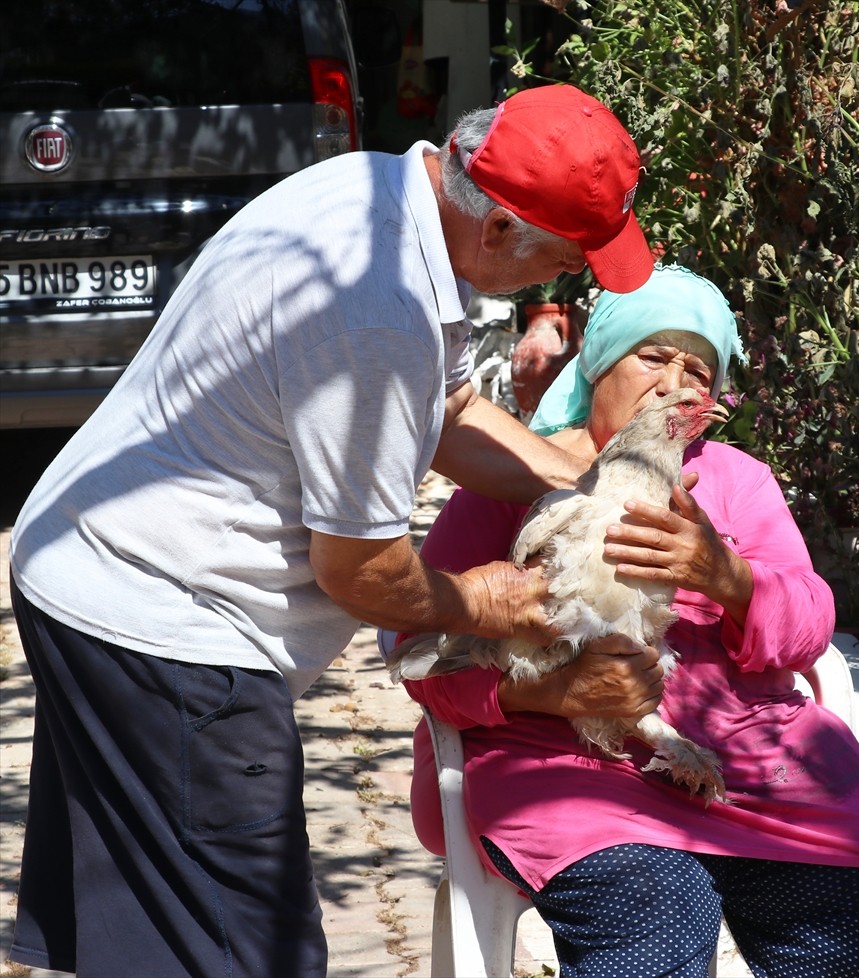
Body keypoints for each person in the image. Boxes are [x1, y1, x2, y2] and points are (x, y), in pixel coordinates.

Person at [6, 83, 655, 977]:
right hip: (169, 627)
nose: (558, 282)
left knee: (155, 934)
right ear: (500, 227)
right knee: (245, 953)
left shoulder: (383, 191)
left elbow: (450, 409)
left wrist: (578, 483)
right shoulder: (378, 310)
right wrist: (495, 602)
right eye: (562, 258)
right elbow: (361, 571)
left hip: (91, 563)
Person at [394, 264, 859, 978]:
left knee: (848, 913)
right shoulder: (515, 472)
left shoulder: (737, 481)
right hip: (569, 767)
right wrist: (554, 693)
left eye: (697, 368)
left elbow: (809, 627)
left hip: (747, 766)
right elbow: (420, 646)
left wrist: (723, 575)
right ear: (600, 366)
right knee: (655, 921)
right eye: (653, 357)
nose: (676, 383)